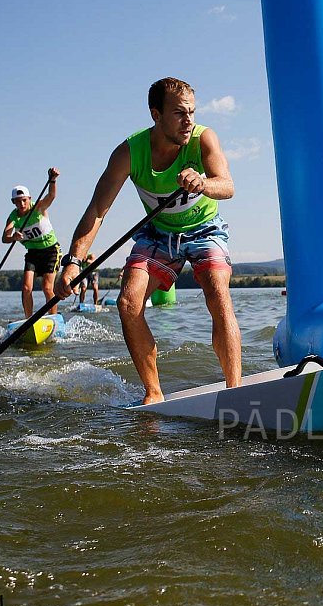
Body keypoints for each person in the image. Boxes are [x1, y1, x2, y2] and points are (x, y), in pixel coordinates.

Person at [56, 77, 241, 404]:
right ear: (156, 114)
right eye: (179, 114)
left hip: (205, 228)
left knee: (217, 290)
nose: (188, 121)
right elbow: (98, 211)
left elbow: (227, 185)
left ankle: (236, 390)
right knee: (128, 303)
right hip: (158, 233)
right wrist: (72, 263)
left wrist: (202, 182)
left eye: (192, 113)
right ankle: (153, 394)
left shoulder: (203, 139)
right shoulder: (129, 152)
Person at [3, 168, 62, 318]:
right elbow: (5, 237)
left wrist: (53, 179)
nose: (22, 204)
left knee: (47, 288)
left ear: (29, 199)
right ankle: (28, 320)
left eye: (24, 200)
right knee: (26, 287)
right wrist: (13, 237)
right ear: (13, 202)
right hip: (33, 254)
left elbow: (52, 195)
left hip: (50, 251)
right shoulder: (13, 217)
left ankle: (54, 318)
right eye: (18, 201)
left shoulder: (38, 207)